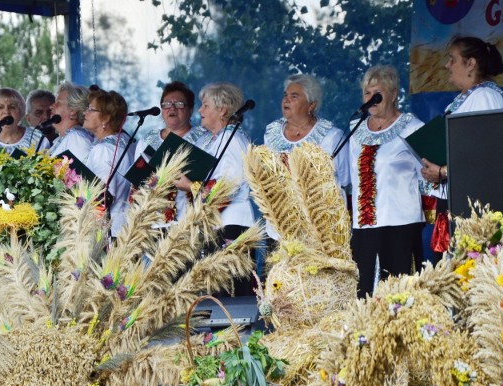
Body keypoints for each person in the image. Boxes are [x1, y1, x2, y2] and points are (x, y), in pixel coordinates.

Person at [421, 36, 503, 261]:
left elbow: (487, 156)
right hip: (454, 202)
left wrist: (443, 172)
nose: (446, 65)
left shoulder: (486, 97)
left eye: (452, 59)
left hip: (472, 207)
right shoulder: (462, 100)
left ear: (471, 63)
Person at [348, 65, 425, 298]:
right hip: (364, 227)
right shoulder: (355, 130)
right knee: (365, 294)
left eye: (378, 94)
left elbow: (430, 175)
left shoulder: (412, 127)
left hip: (400, 224)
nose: (371, 99)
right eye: (367, 94)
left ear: (393, 94)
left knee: (399, 294)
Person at [174, 82, 255, 295]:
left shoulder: (233, 139)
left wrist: (189, 185)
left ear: (222, 110)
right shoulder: (209, 140)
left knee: (229, 293)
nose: (200, 111)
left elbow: (227, 187)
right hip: (213, 225)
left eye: (205, 105)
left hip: (232, 223)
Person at [263, 73, 349, 244]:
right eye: (285, 95)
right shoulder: (271, 134)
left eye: (294, 96)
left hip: (318, 228)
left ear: (311, 105)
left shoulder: (331, 137)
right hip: (279, 227)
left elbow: (345, 179)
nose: (286, 100)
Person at [134, 81, 205, 224]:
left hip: (190, 223)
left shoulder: (203, 139)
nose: (172, 108)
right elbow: (136, 185)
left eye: (179, 104)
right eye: (166, 104)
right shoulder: (147, 140)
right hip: (153, 225)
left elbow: (212, 184)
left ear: (190, 109)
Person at [84, 88, 135, 239]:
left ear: (105, 118)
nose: (85, 113)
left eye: (91, 109)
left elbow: (102, 198)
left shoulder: (103, 150)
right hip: (124, 227)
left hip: (109, 233)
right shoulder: (128, 144)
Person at [48, 82, 94, 164]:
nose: (51, 106)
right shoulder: (65, 137)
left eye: (57, 103)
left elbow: (83, 175)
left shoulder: (77, 138)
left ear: (73, 110)